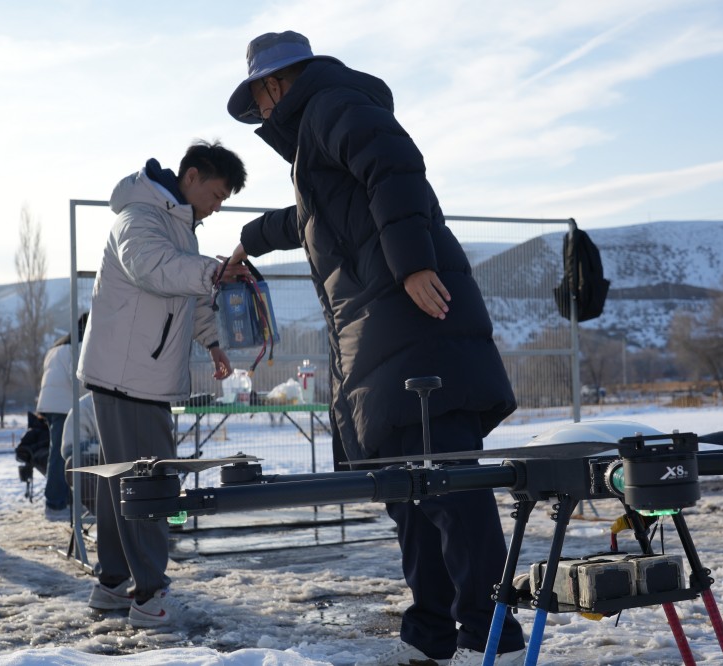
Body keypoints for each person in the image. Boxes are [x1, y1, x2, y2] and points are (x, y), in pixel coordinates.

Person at [226, 32, 526, 666]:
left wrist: (413, 264)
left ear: (277, 85)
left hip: (415, 333)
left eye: (260, 100)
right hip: (374, 342)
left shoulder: (337, 104)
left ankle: (485, 633)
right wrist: (250, 239)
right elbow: (309, 214)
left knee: (449, 488)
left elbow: (392, 164)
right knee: (408, 494)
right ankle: (432, 635)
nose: (263, 115)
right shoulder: (314, 143)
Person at [77, 140, 249, 628]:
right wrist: (213, 270)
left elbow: (187, 297)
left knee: (123, 485)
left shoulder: (179, 226)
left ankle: (112, 584)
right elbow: (153, 270)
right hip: (131, 378)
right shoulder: (141, 218)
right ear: (191, 177)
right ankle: (150, 595)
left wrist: (213, 342)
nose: (217, 207)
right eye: (216, 194)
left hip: (134, 375)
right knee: (150, 486)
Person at [36, 312, 88, 522]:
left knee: (58, 454)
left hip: (50, 404)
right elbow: (77, 378)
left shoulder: (58, 345)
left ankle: (61, 501)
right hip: (63, 405)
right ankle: (56, 504)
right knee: (62, 455)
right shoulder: (78, 346)